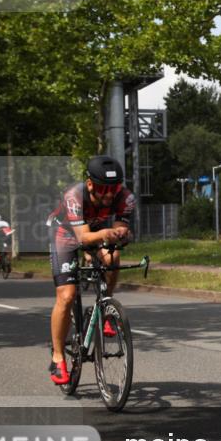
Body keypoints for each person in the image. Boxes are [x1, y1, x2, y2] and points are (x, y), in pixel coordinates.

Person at [46, 155, 135, 384]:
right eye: (103, 188)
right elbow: (83, 237)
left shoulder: (125, 197)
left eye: (114, 189)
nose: (109, 194)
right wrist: (105, 234)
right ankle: (57, 358)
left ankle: (106, 308)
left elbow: (119, 228)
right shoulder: (74, 196)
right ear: (90, 184)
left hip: (95, 231)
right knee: (67, 295)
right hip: (65, 234)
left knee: (113, 256)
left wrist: (122, 234)